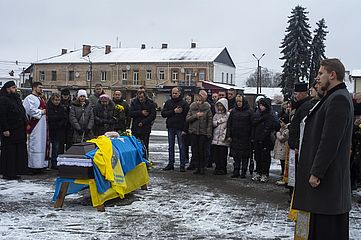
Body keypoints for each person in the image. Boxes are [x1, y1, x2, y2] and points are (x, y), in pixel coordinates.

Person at [293, 59, 353, 239]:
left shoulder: (339, 99)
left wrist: (317, 172)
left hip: (327, 184)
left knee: (326, 232)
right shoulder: (330, 98)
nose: (317, 78)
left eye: (320, 74)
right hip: (322, 187)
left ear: (332, 75)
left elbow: (330, 141)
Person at [286, 82, 314, 191]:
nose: (295, 96)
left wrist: (297, 144)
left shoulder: (306, 106)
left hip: (298, 145)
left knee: (298, 171)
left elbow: (304, 127)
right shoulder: (300, 105)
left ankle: (297, 193)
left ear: (303, 93)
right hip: (295, 144)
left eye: (296, 93)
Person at [0, 81, 28, 179]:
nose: (15, 90)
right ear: (8, 89)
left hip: (19, 130)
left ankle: (16, 171)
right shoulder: (3, 99)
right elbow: (2, 115)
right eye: (13, 88)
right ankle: (8, 173)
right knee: (9, 152)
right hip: (10, 130)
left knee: (17, 152)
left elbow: (21, 112)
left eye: (15, 87)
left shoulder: (16, 99)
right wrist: (5, 128)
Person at [162, 87, 189, 172]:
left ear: (179, 93)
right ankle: (171, 163)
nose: (174, 95)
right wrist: (173, 111)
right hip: (171, 127)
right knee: (171, 146)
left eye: (175, 93)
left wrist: (185, 129)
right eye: (173, 93)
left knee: (182, 146)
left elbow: (187, 117)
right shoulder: (168, 102)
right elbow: (163, 114)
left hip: (180, 127)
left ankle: (182, 164)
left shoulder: (184, 103)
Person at [23, 82, 48, 172]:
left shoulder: (40, 98)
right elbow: (30, 110)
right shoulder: (29, 98)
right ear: (34, 87)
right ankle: (32, 166)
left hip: (42, 126)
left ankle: (40, 165)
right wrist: (41, 112)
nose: (41, 89)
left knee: (41, 145)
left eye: (42, 87)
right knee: (34, 144)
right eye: (39, 87)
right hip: (34, 127)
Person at [186, 90, 213, 175]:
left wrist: (208, 132)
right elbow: (187, 119)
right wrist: (195, 116)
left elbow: (210, 121)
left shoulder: (207, 108)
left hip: (203, 133)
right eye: (197, 100)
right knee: (195, 150)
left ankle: (202, 167)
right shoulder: (192, 107)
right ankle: (197, 167)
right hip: (194, 132)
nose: (198, 102)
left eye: (200, 100)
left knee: (202, 151)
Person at [226, 95, 253, 178]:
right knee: (236, 156)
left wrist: (251, 137)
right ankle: (236, 170)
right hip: (235, 137)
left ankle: (244, 171)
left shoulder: (249, 112)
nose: (239, 103)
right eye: (237, 101)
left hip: (245, 137)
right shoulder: (233, 111)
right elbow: (229, 124)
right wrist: (229, 135)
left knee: (245, 156)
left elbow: (252, 125)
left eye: (240, 101)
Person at [251, 97, 273, 182]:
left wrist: (262, 137)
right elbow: (253, 124)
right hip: (257, 139)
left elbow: (268, 128)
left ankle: (265, 173)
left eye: (263, 105)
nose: (261, 107)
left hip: (265, 140)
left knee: (265, 158)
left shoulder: (269, 115)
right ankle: (258, 172)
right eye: (260, 105)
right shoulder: (257, 114)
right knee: (258, 157)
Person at [130, 90, 156, 154]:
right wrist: (140, 112)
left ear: (145, 96)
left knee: (145, 145)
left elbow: (152, 115)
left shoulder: (150, 103)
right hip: (136, 127)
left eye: (142, 97)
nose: (140, 98)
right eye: (139, 97)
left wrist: (144, 122)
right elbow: (130, 113)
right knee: (135, 144)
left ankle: (145, 158)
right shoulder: (134, 102)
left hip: (145, 127)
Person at [47, 93, 67, 169]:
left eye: (58, 100)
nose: (57, 102)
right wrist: (58, 117)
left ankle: (54, 162)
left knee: (56, 147)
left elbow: (64, 118)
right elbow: (50, 117)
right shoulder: (49, 107)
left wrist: (60, 122)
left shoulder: (61, 108)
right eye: (55, 100)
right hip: (51, 129)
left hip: (58, 130)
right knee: (50, 147)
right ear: (52, 100)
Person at [211, 98, 229, 175]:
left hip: (223, 138)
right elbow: (213, 123)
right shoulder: (216, 115)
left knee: (223, 155)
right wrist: (217, 122)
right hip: (216, 137)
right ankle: (217, 167)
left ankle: (223, 168)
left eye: (221, 106)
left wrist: (226, 135)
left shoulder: (227, 115)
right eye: (218, 106)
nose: (219, 108)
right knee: (216, 154)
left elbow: (228, 125)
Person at [273, 115, 289, 185]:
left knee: (284, 163)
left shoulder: (287, 129)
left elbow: (282, 138)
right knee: (282, 163)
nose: (280, 124)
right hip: (281, 149)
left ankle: (284, 176)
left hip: (284, 149)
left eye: (281, 122)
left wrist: (278, 134)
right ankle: (282, 175)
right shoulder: (282, 129)